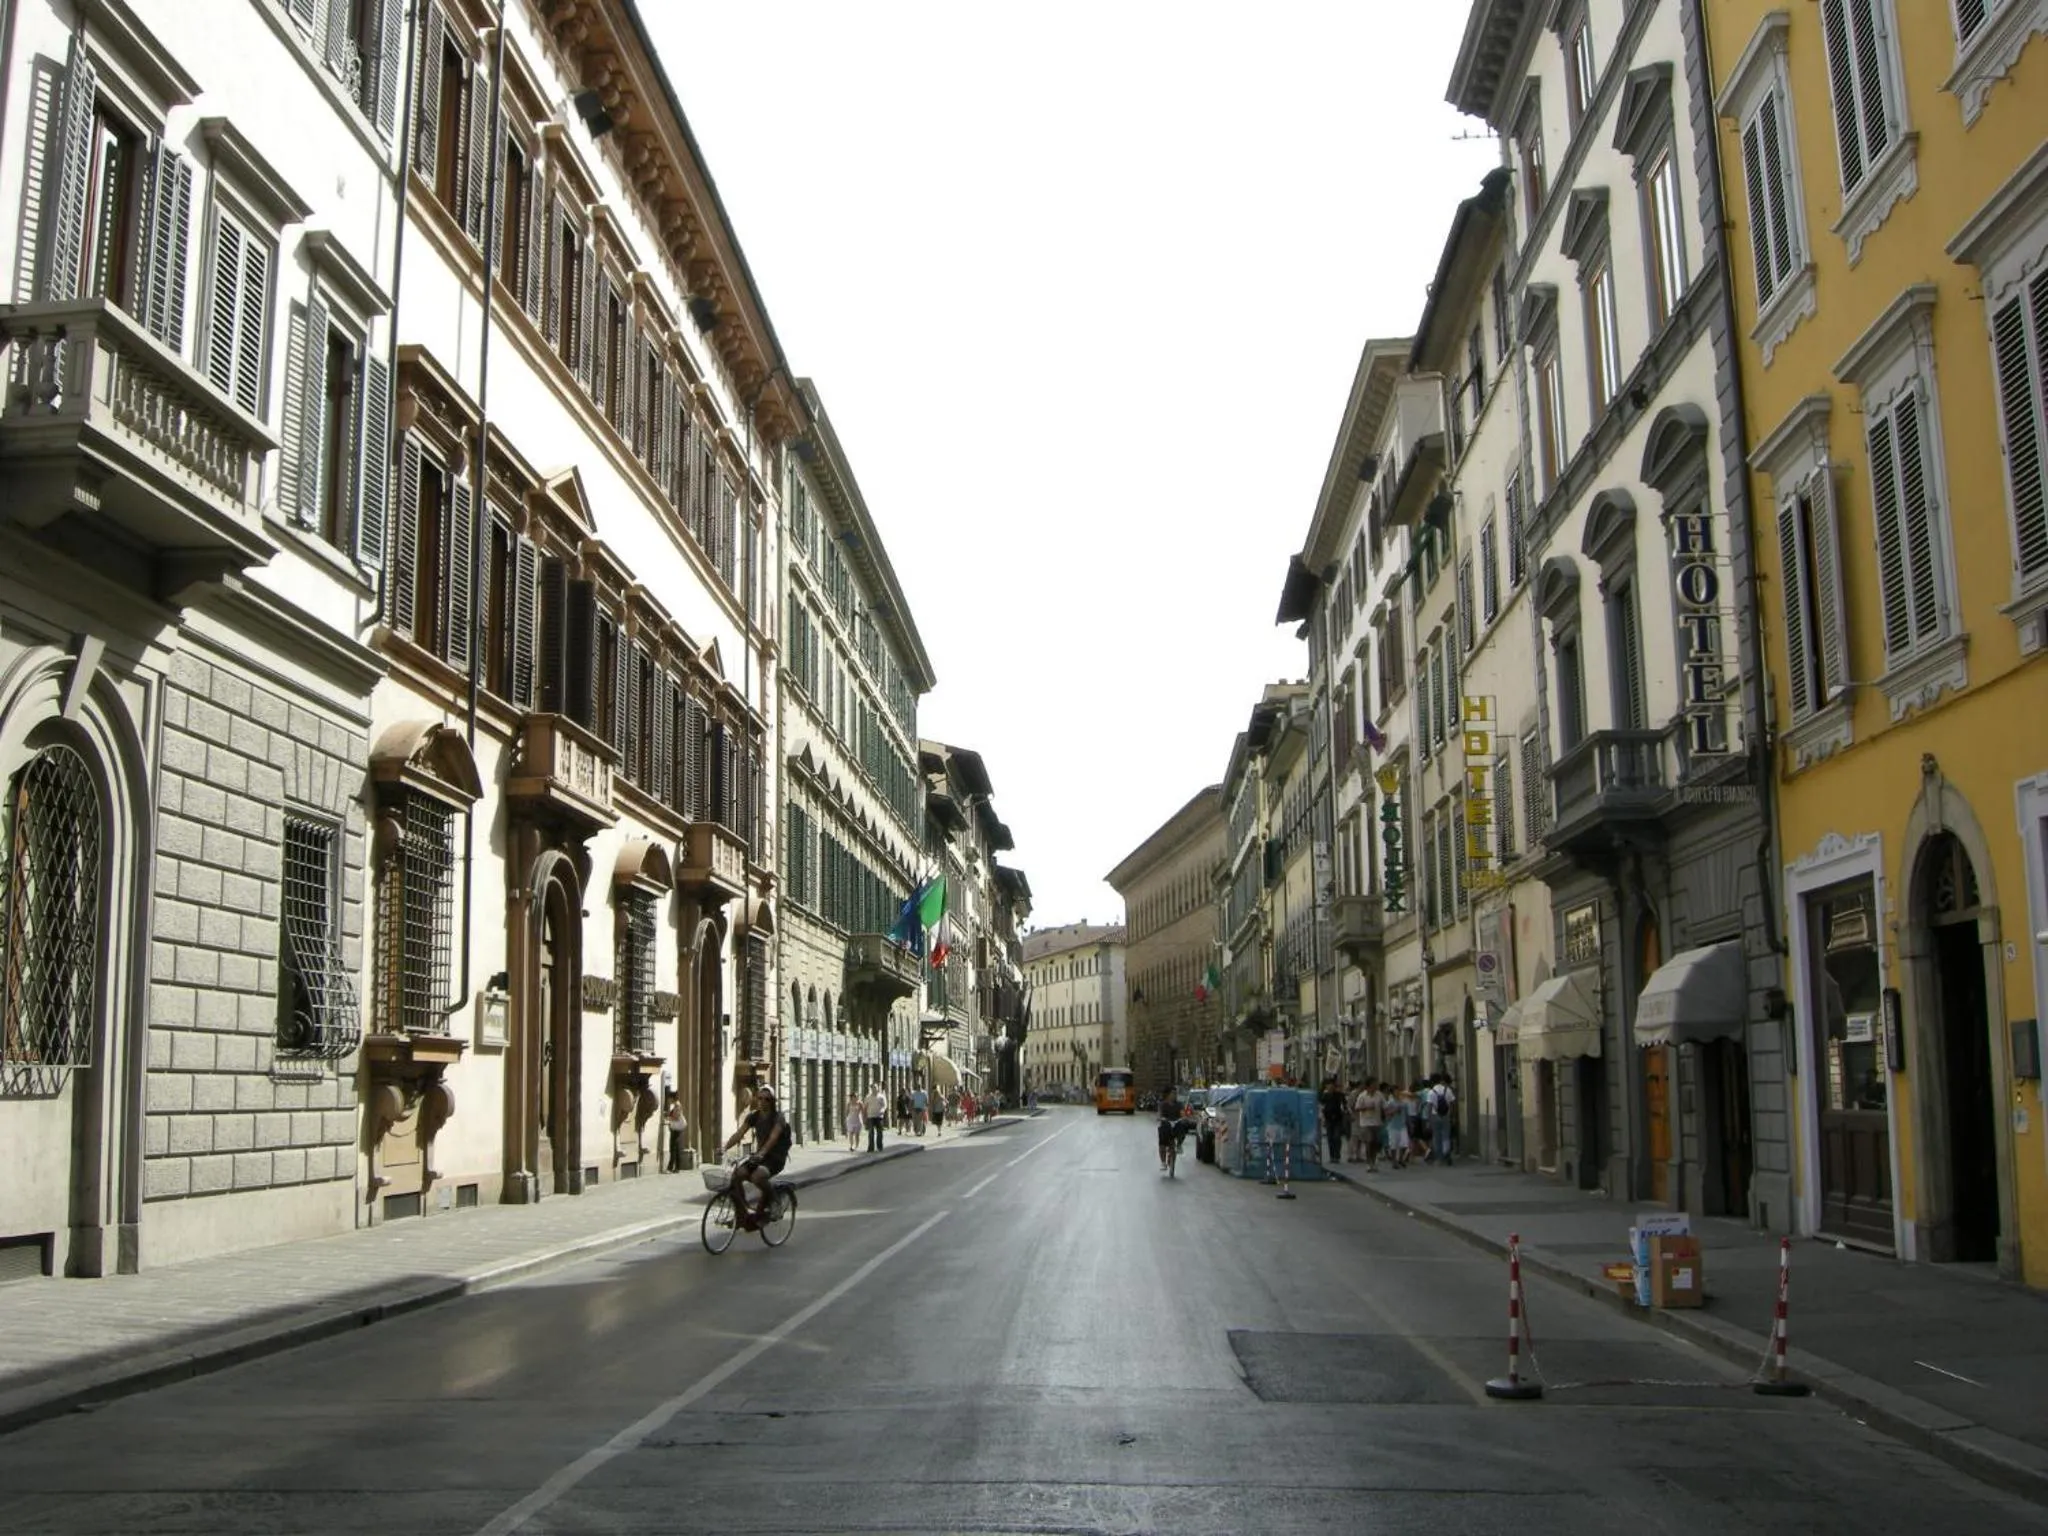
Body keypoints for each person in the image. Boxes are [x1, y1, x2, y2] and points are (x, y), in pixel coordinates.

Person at [718, 1086, 791, 1227]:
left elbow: (772, 1138)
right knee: (737, 1175)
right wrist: (724, 1148)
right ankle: (741, 1215)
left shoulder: (778, 1118)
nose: (762, 1101)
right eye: (760, 1098)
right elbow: (739, 1134)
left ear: (772, 1101)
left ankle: (775, 1201)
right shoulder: (754, 1116)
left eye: (767, 1099)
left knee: (757, 1177)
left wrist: (761, 1153)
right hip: (759, 1156)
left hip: (776, 1158)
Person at [1425, 1073, 1457, 1166]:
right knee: (1446, 1136)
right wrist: (1453, 1116)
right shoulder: (1448, 1090)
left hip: (1435, 1116)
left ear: (1432, 1082)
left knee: (1436, 1137)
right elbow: (1453, 1104)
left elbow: (1429, 1107)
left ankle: (1439, 1158)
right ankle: (1447, 1152)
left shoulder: (1431, 1092)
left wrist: (1428, 1120)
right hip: (1446, 1116)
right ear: (1440, 1080)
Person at [1352, 1078, 1383, 1170]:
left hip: (1377, 1122)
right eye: (1374, 1084)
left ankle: (1374, 1160)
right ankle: (1369, 1162)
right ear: (1369, 1086)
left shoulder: (1379, 1095)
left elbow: (1384, 1105)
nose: (1376, 1086)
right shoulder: (1362, 1096)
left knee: (1375, 1143)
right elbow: (1357, 1108)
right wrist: (1366, 1108)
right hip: (1366, 1123)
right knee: (1369, 1141)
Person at [1157, 1086, 1187, 1171]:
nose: (1175, 1095)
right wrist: (1161, 1118)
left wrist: (1183, 1117)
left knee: (1182, 1128)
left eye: (1175, 1093)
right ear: (1168, 1095)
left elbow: (1182, 1113)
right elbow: (1159, 1114)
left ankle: (1179, 1145)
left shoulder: (1179, 1104)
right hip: (1166, 1125)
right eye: (1173, 1093)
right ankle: (1163, 1162)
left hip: (1176, 1124)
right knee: (1162, 1143)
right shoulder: (1163, 1104)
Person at [1319, 1077, 1348, 1165]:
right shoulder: (1325, 1095)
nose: (1330, 1087)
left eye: (1331, 1086)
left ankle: (1337, 1155)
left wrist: (1345, 1111)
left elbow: (1344, 1105)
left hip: (1338, 1118)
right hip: (1328, 1119)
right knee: (1330, 1138)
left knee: (1337, 1137)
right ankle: (1332, 1156)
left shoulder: (1339, 1095)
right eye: (1328, 1086)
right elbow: (1321, 1105)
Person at [662, 1092, 689, 1173]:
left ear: (672, 1098)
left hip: (676, 1129)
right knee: (676, 1148)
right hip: (676, 1129)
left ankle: (671, 1168)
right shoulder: (676, 1105)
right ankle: (677, 1168)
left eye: (669, 1099)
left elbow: (676, 1117)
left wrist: (668, 1118)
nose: (668, 1100)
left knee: (673, 1148)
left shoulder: (677, 1105)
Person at [864, 1082, 888, 1152]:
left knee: (879, 1132)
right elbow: (865, 1106)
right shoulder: (868, 1097)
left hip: (879, 1116)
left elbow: (885, 1105)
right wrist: (864, 1116)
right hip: (871, 1116)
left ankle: (879, 1146)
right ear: (871, 1088)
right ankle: (871, 1148)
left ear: (878, 1088)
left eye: (875, 1087)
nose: (874, 1089)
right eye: (873, 1087)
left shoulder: (881, 1096)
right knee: (871, 1132)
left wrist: (882, 1110)